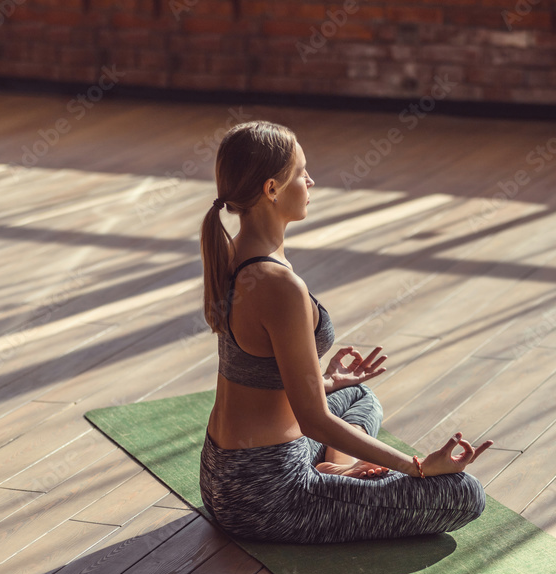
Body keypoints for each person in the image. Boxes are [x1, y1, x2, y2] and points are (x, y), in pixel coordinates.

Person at [197, 120, 491, 544]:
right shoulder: (278, 285)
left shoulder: (232, 251)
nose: (311, 180)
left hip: (223, 472)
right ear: (271, 189)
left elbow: (258, 372)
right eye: (301, 172)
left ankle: (336, 467)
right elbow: (314, 419)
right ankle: (336, 471)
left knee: (357, 396)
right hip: (268, 494)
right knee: (464, 495)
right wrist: (417, 465)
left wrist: (326, 381)